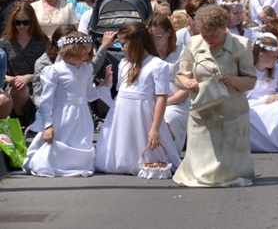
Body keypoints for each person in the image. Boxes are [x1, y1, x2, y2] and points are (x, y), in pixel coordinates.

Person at [173, 5, 256, 187]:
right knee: (199, 171)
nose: (208, 39)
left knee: (228, 174)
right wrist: (187, 83)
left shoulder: (241, 45)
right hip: (202, 113)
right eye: (205, 35)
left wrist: (234, 80)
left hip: (231, 114)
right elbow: (180, 75)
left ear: (224, 28)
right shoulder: (193, 43)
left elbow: (251, 81)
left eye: (213, 35)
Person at [94, 22, 181, 175]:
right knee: (122, 140)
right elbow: (121, 90)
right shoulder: (124, 63)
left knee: (143, 141)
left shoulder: (157, 65)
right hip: (121, 111)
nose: (122, 48)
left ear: (136, 43)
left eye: (124, 43)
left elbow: (161, 98)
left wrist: (155, 128)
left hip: (143, 112)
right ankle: (123, 161)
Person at [23, 32, 113, 177]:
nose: (86, 56)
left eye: (89, 53)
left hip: (82, 116)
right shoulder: (55, 71)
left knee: (81, 142)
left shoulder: (87, 69)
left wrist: (105, 84)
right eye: (84, 52)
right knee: (59, 143)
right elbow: (46, 102)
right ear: (73, 50)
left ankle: (77, 165)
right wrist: (48, 126)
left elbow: (89, 95)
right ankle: (54, 164)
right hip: (62, 116)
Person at [0, 2, 49, 126]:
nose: (21, 26)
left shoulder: (42, 41)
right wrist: (12, 79)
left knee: (22, 90)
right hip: (12, 85)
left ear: (32, 21)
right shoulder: (5, 42)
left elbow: (49, 70)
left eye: (25, 22)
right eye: (17, 22)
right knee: (19, 90)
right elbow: (1, 73)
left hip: (37, 84)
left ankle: (23, 120)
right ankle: (20, 121)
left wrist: (29, 77)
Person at [147, 14, 187, 156]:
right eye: (150, 37)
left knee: (169, 117)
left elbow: (186, 90)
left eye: (158, 37)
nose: (154, 41)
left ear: (169, 33)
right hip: (151, 101)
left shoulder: (182, 52)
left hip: (176, 103)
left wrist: (165, 103)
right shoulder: (147, 54)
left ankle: (167, 156)